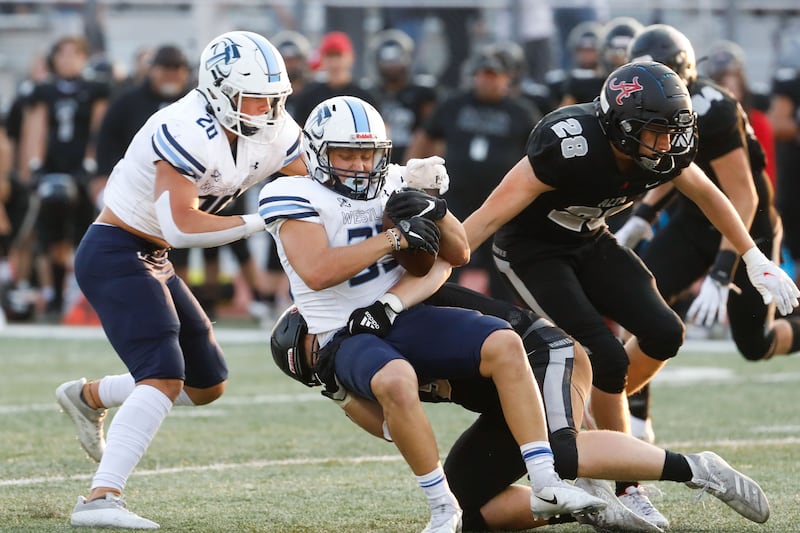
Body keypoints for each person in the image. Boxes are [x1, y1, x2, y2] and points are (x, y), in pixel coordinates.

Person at [460, 60, 798, 530]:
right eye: (656, 131)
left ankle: (595, 424)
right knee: (605, 356)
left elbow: (708, 193)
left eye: (673, 131)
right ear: (620, 127)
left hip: (590, 239)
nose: (667, 143)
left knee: (664, 332)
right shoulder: (569, 144)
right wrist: (434, 272)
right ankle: (625, 483)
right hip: (531, 252)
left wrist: (753, 257)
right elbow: (490, 216)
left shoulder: (668, 148)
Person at [258, 95, 607, 533]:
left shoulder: (394, 179)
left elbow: (458, 253)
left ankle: (545, 480)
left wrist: (437, 211)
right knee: (395, 379)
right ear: (316, 152)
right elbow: (318, 270)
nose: (359, 166)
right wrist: (393, 240)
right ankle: (444, 508)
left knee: (505, 342)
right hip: (344, 333)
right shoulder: (291, 193)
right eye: (345, 154)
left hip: (404, 313)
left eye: (367, 154)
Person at [269, 278, 772, 533]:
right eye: (315, 365)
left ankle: (699, 470)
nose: (326, 357)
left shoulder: (384, 307)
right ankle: (586, 509)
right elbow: (392, 427)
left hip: (542, 352)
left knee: (559, 452)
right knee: (467, 512)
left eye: (318, 348)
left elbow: (439, 266)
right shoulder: (361, 365)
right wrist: (337, 391)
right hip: (505, 405)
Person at [53, 30, 307, 529]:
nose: (266, 110)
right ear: (219, 91)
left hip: (154, 255)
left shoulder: (272, 128)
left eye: (273, 99)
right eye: (253, 98)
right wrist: (262, 220)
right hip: (115, 249)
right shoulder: (184, 126)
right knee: (164, 374)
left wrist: (398, 183)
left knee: (207, 382)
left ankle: (89, 396)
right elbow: (181, 226)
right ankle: (100, 498)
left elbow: (316, 181)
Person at [615, 25, 800, 444]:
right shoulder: (650, 106)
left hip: (748, 228)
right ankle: (638, 421)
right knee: (639, 298)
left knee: (755, 344)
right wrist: (642, 216)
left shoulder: (713, 108)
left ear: (681, 73)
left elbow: (744, 196)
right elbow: (672, 163)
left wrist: (721, 271)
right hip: (693, 222)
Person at [406, 44, 541, 300]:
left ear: (507, 78)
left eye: (493, 75)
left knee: (500, 264)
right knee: (445, 257)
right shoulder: (454, 104)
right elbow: (426, 136)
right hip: (455, 198)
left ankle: (505, 314)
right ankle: (440, 305)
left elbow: (538, 152)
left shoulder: (521, 112)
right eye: (483, 74)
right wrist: (412, 178)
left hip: (501, 200)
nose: (487, 80)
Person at [18, 35, 110, 318]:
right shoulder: (44, 90)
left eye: (73, 54)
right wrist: (34, 166)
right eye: (62, 54)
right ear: (55, 58)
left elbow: (98, 129)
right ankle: (57, 295)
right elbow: (37, 129)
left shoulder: (95, 88)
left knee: (85, 234)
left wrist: (91, 165)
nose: (68, 59)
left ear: (83, 57)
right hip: (53, 169)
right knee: (53, 236)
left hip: (82, 170)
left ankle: (82, 296)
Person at [364, 28, 439, 164]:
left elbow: (432, 132)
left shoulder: (422, 93)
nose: (392, 66)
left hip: (415, 160)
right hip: (377, 158)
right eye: (387, 61)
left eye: (396, 60)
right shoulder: (370, 93)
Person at [290, 31, 380, 126]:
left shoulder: (365, 97)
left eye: (338, 55)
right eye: (330, 56)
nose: (334, 62)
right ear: (322, 59)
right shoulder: (308, 97)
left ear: (350, 57)